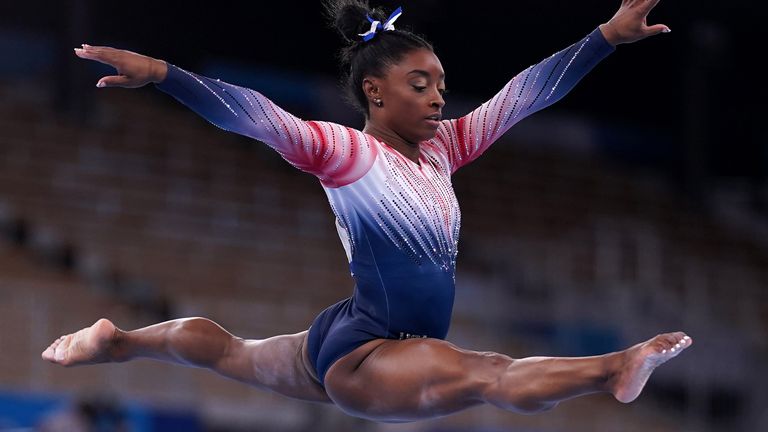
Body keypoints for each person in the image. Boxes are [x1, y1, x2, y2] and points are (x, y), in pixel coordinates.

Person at [43, 0, 691, 423]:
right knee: (488, 375)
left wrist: (605, 37)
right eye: (420, 85)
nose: (438, 98)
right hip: (370, 353)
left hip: (355, 333)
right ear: (375, 93)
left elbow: (523, 95)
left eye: (439, 82)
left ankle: (120, 342)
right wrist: (163, 73)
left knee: (231, 354)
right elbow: (256, 117)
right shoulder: (346, 152)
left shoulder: (446, 148)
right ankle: (612, 368)